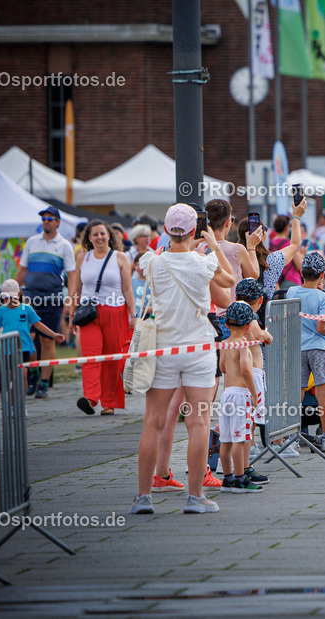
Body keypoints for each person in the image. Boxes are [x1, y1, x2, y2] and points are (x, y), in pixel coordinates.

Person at [132, 203, 235, 516]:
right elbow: (229, 281)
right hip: (198, 349)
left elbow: (146, 269)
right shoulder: (203, 262)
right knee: (199, 421)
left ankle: (144, 496)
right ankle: (195, 496)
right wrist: (213, 246)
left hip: (163, 348)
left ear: (165, 230)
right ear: (194, 230)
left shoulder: (153, 261)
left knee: (153, 421)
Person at [67, 220, 135, 416]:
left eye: (102, 234)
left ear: (109, 236)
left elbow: (127, 289)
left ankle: (109, 403)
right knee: (90, 356)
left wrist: (133, 315)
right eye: (95, 234)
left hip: (115, 311)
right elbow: (77, 289)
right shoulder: (83, 257)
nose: (99, 237)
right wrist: (72, 314)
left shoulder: (120, 257)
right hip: (89, 313)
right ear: (89, 238)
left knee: (111, 359)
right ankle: (90, 398)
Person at [16, 207, 76, 398]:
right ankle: (34, 373)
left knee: (47, 340)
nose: (46, 222)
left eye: (50, 219)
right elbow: (22, 270)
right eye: (43, 219)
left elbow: (72, 275)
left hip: (53, 297)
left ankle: (43, 383)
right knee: (28, 337)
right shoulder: (32, 242)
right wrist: (12, 289)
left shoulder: (65, 245)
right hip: (30, 296)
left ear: (57, 222)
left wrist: (70, 298)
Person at [287, 252, 325, 453]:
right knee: (322, 393)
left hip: (297, 346)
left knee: (298, 392)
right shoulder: (323, 297)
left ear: (302, 272)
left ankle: (292, 437)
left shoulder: (291, 292)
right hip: (318, 347)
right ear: (322, 275)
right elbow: (321, 327)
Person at [216, 301, 263, 494]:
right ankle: (240, 478)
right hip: (240, 395)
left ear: (227, 324)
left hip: (226, 394)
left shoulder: (224, 344)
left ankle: (227, 478)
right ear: (248, 326)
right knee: (240, 438)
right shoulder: (243, 345)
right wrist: (254, 393)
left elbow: (222, 367)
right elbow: (245, 369)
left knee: (226, 439)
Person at [232, 278, 273, 483]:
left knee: (244, 422)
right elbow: (257, 334)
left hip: (243, 375)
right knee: (249, 423)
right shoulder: (249, 312)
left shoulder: (235, 311)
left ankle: (239, 464)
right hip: (253, 373)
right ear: (259, 300)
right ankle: (245, 467)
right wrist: (268, 336)